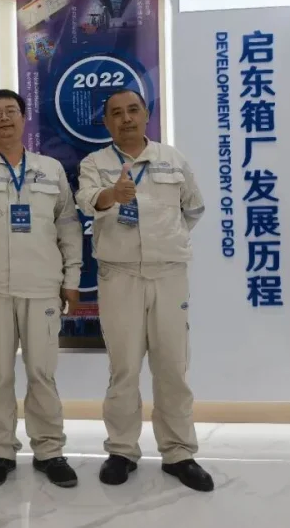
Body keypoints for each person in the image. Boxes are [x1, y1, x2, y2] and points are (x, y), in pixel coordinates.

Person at [75, 88, 213, 492]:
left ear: (146, 114)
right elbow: (86, 202)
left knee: (173, 366)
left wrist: (168, 240)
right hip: (119, 276)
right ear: (106, 122)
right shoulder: (95, 163)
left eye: (133, 110)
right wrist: (112, 195)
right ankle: (121, 450)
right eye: (116, 113)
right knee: (124, 369)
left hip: (169, 275)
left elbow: (194, 208)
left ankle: (179, 452)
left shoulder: (172, 159)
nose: (126, 119)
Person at [0, 89, 83, 489]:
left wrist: (72, 279)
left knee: (42, 373)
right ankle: (1, 450)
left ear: (24, 118)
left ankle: (49, 450)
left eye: (11, 111)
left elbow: (68, 224)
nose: (4, 118)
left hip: (42, 287)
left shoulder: (50, 169)